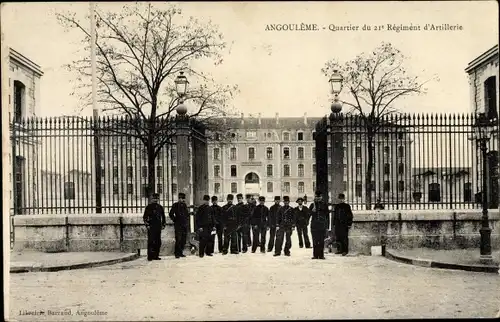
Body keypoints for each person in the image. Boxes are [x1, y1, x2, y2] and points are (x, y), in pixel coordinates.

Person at [143, 193, 166, 261]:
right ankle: (150, 256)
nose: (155, 200)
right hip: (151, 226)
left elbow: (163, 217)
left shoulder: (160, 207)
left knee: (158, 241)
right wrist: (147, 225)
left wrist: (163, 224)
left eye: (157, 198)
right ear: (152, 199)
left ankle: (156, 255)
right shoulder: (148, 207)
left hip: (158, 226)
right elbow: (145, 217)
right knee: (151, 241)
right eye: (154, 198)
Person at [168, 192, 190, 259]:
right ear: (178, 198)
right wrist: (175, 220)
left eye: (182, 198)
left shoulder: (184, 205)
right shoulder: (175, 205)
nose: (181, 199)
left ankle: (180, 253)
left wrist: (187, 217)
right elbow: (171, 214)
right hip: (178, 225)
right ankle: (176, 253)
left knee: (183, 239)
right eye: (180, 198)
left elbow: (186, 214)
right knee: (178, 239)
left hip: (184, 225)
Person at [310, 191, 329, 260]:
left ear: (321, 197)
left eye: (319, 197)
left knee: (321, 241)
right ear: (315, 197)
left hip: (322, 225)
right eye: (316, 197)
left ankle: (321, 255)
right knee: (315, 241)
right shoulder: (312, 205)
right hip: (314, 226)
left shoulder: (324, 205)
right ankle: (315, 255)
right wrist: (312, 211)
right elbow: (308, 215)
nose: (318, 198)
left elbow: (327, 216)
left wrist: (327, 227)